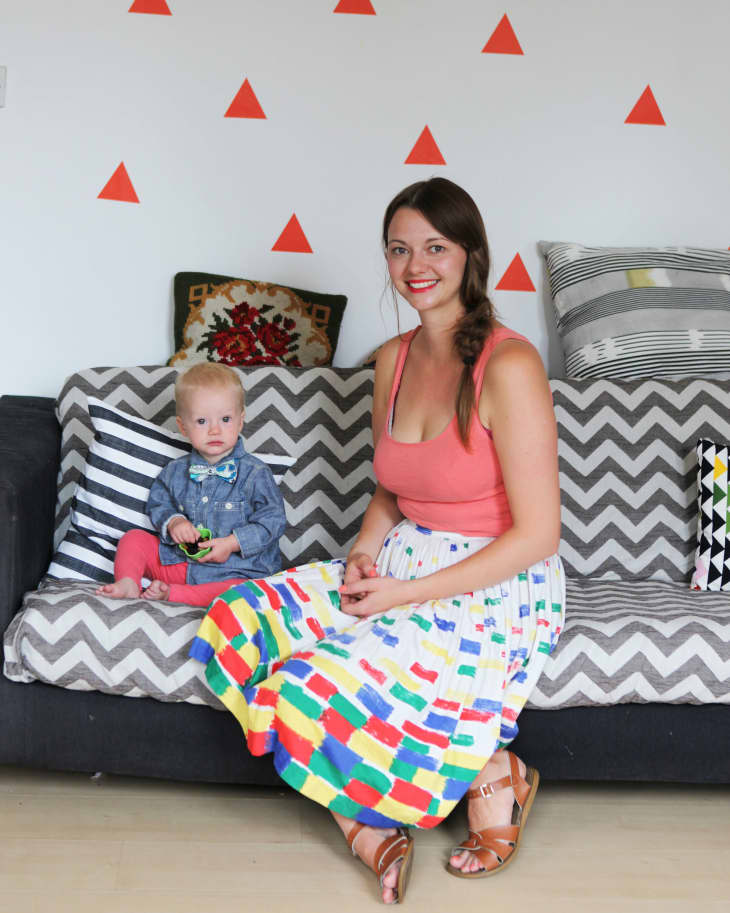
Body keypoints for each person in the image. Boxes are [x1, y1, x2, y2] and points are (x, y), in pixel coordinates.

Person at [189, 178, 565, 904]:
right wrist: (364, 551)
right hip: (401, 558)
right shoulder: (392, 359)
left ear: (471, 254)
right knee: (238, 624)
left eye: (435, 247)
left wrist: (404, 593)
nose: (415, 265)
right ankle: (374, 811)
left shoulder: (509, 365)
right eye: (399, 249)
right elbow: (393, 488)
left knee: (308, 687)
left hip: (494, 582)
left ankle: (480, 780)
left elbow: (538, 534)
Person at [96, 362, 286, 607]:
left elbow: (273, 521)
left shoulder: (256, 473)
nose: (215, 430)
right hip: (181, 564)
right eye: (202, 421)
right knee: (134, 539)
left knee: (245, 593)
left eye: (225, 419)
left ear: (240, 421)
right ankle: (128, 583)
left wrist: (232, 543)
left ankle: (173, 595)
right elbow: (159, 503)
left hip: (237, 571)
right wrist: (174, 522)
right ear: (183, 426)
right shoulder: (174, 472)